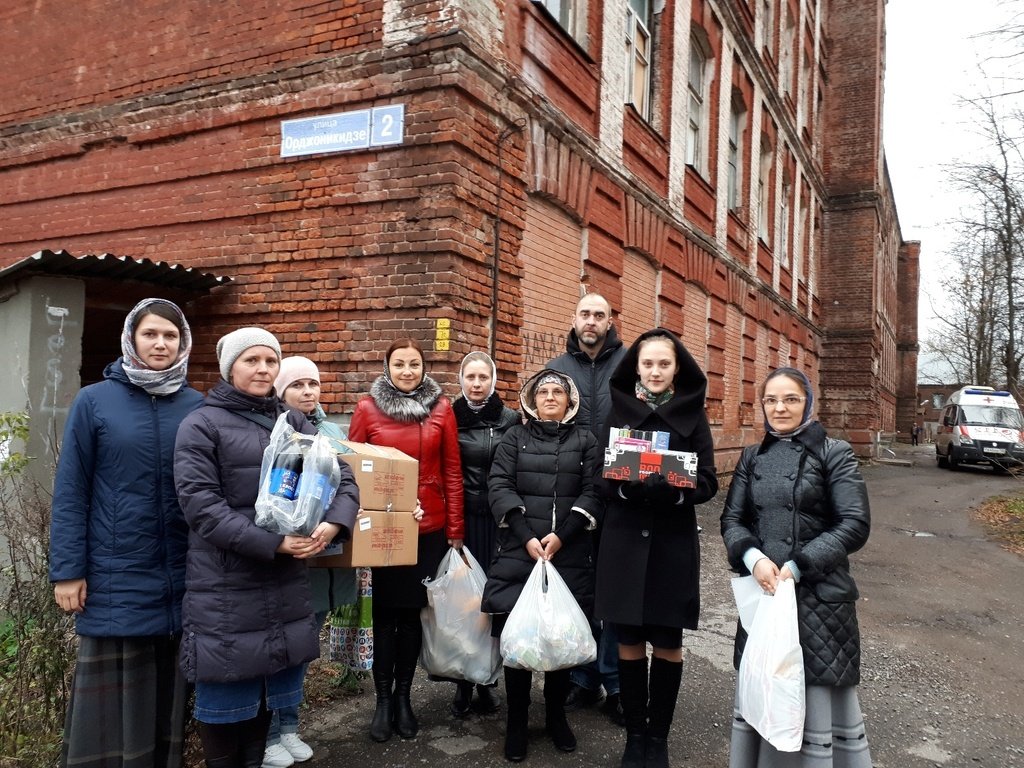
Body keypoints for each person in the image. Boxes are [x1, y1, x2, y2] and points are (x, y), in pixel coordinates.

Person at [174, 328, 359, 768]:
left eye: (270, 361)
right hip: (226, 586)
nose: (262, 369)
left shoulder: (292, 422)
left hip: (284, 584)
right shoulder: (201, 424)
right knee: (227, 701)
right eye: (251, 360)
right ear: (229, 368)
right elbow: (201, 507)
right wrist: (274, 543)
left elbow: (343, 477)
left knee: (266, 699)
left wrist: (334, 523)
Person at [50, 298, 204, 768]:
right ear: (131, 338)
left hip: (181, 574)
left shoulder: (197, 406)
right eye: (150, 334)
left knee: (168, 698)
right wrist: (68, 571)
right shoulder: (94, 401)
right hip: (116, 575)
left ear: (183, 342)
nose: (161, 344)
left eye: (170, 335)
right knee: (113, 707)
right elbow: (71, 490)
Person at [720, 366, 873, 768]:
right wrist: (753, 559)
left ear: (807, 402)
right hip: (766, 593)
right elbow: (733, 520)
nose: (780, 408)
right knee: (767, 687)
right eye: (771, 400)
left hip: (819, 597)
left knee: (814, 693)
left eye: (790, 399)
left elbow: (854, 524)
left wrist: (800, 564)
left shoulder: (834, 453)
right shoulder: (753, 456)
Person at [595, 328, 719, 768]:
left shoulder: (693, 415)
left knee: (667, 641)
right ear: (636, 367)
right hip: (624, 542)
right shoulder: (617, 412)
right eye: (647, 363)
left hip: (671, 544)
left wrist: (677, 493)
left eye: (664, 364)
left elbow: (709, 480)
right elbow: (598, 476)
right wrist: (625, 489)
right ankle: (634, 736)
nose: (655, 371)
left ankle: (658, 739)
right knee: (628, 640)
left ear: (677, 368)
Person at [481, 369, 604, 763]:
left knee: (559, 637)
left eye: (558, 392)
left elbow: (594, 490)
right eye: (543, 392)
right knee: (520, 639)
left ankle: (555, 717)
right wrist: (525, 535)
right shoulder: (514, 438)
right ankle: (517, 721)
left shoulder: (586, 441)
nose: (550, 397)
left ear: (570, 401)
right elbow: (500, 485)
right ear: (532, 400)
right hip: (521, 553)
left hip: (568, 554)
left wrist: (563, 535)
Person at [348, 338, 465, 743]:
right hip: (381, 530)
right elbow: (351, 468)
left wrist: (455, 531)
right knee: (384, 616)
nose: (407, 371)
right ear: (387, 367)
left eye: (414, 364)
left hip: (426, 528)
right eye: (399, 364)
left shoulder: (442, 409)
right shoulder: (367, 408)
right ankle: (382, 701)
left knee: (413, 616)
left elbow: (452, 471)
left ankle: (403, 698)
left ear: (424, 368)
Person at [262, 356, 356, 768]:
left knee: (301, 650)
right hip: (283, 559)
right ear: (280, 391)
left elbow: (354, 485)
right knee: (275, 652)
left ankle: (289, 727)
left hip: (322, 561)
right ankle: (267, 734)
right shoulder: (275, 431)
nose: (307, 392)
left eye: (313, 384)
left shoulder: (332, 432)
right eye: (297, 385)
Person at [546, 293, 628, 724]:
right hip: (573, 494)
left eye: (599, 315)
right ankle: (581, 676)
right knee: (577, 586)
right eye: (585, 314)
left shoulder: (629, 365)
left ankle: (614, 682)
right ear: (574, 319)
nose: (591, 321)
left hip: (618, 492)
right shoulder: (558, 369)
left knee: (613, 590)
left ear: (609, 321)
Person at [449, 351, 520, 718]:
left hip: (499, 523)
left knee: (494, 600)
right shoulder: (448, 417)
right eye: (470, 377)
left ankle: (488, 681)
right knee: (463, 600)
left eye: (483, 377)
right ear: (460, 380)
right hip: (463, 521)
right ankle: (463, 681)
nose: (476, 384)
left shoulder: (510, 420)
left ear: (493, 381)